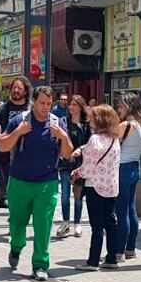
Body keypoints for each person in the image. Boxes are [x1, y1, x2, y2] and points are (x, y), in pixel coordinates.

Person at [0, 86, 73, 281]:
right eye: (42, 103)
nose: (45, 108)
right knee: (17, 223)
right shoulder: (20, 121)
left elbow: (66, 154)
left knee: (43, 224)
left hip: (47, 183)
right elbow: (3, 146)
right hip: (20, 182)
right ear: (34, 102)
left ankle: (40, 264)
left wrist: (63, 137)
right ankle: (16, 246)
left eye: (49, 104)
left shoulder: (57, 123)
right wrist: (18, 132)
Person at [72, 105, 121, 271]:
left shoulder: (94, 139)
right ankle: (112, 258)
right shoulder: (115, 140)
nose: (89, 120)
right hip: (111, 187)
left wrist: (77, 172)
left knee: (97, 226)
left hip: (95, 186)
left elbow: (88, 166)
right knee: (110, 223)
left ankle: (93, 261)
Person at [114, 92, 141, 261]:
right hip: (135, 167)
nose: (118, 109)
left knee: (121, 211)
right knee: (131, 209)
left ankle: (119, 251)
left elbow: (109, 142)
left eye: (121, 106)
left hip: (122, 168)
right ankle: (130, 249)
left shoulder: (126, 125)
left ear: (128, 106)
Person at [0, 77, 32, 209]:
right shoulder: (4, 107)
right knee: (6, 180)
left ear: (25, 91)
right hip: (5, 150)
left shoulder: (31, 107)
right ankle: (5, 200)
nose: (16, 90)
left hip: (26, 151)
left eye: (19, 88)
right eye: (14, 87)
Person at [56, 95, 91, 238]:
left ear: (81, 107)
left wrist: (81, 149)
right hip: (65, 162)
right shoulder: (64, 122)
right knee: (64, 194)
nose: (71, 107)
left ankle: (77, 223)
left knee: (78, 194)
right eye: (70, 104)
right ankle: (65, 222)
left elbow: (91, 143)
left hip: (80, 164)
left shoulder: (86, 124)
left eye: (75, 105)